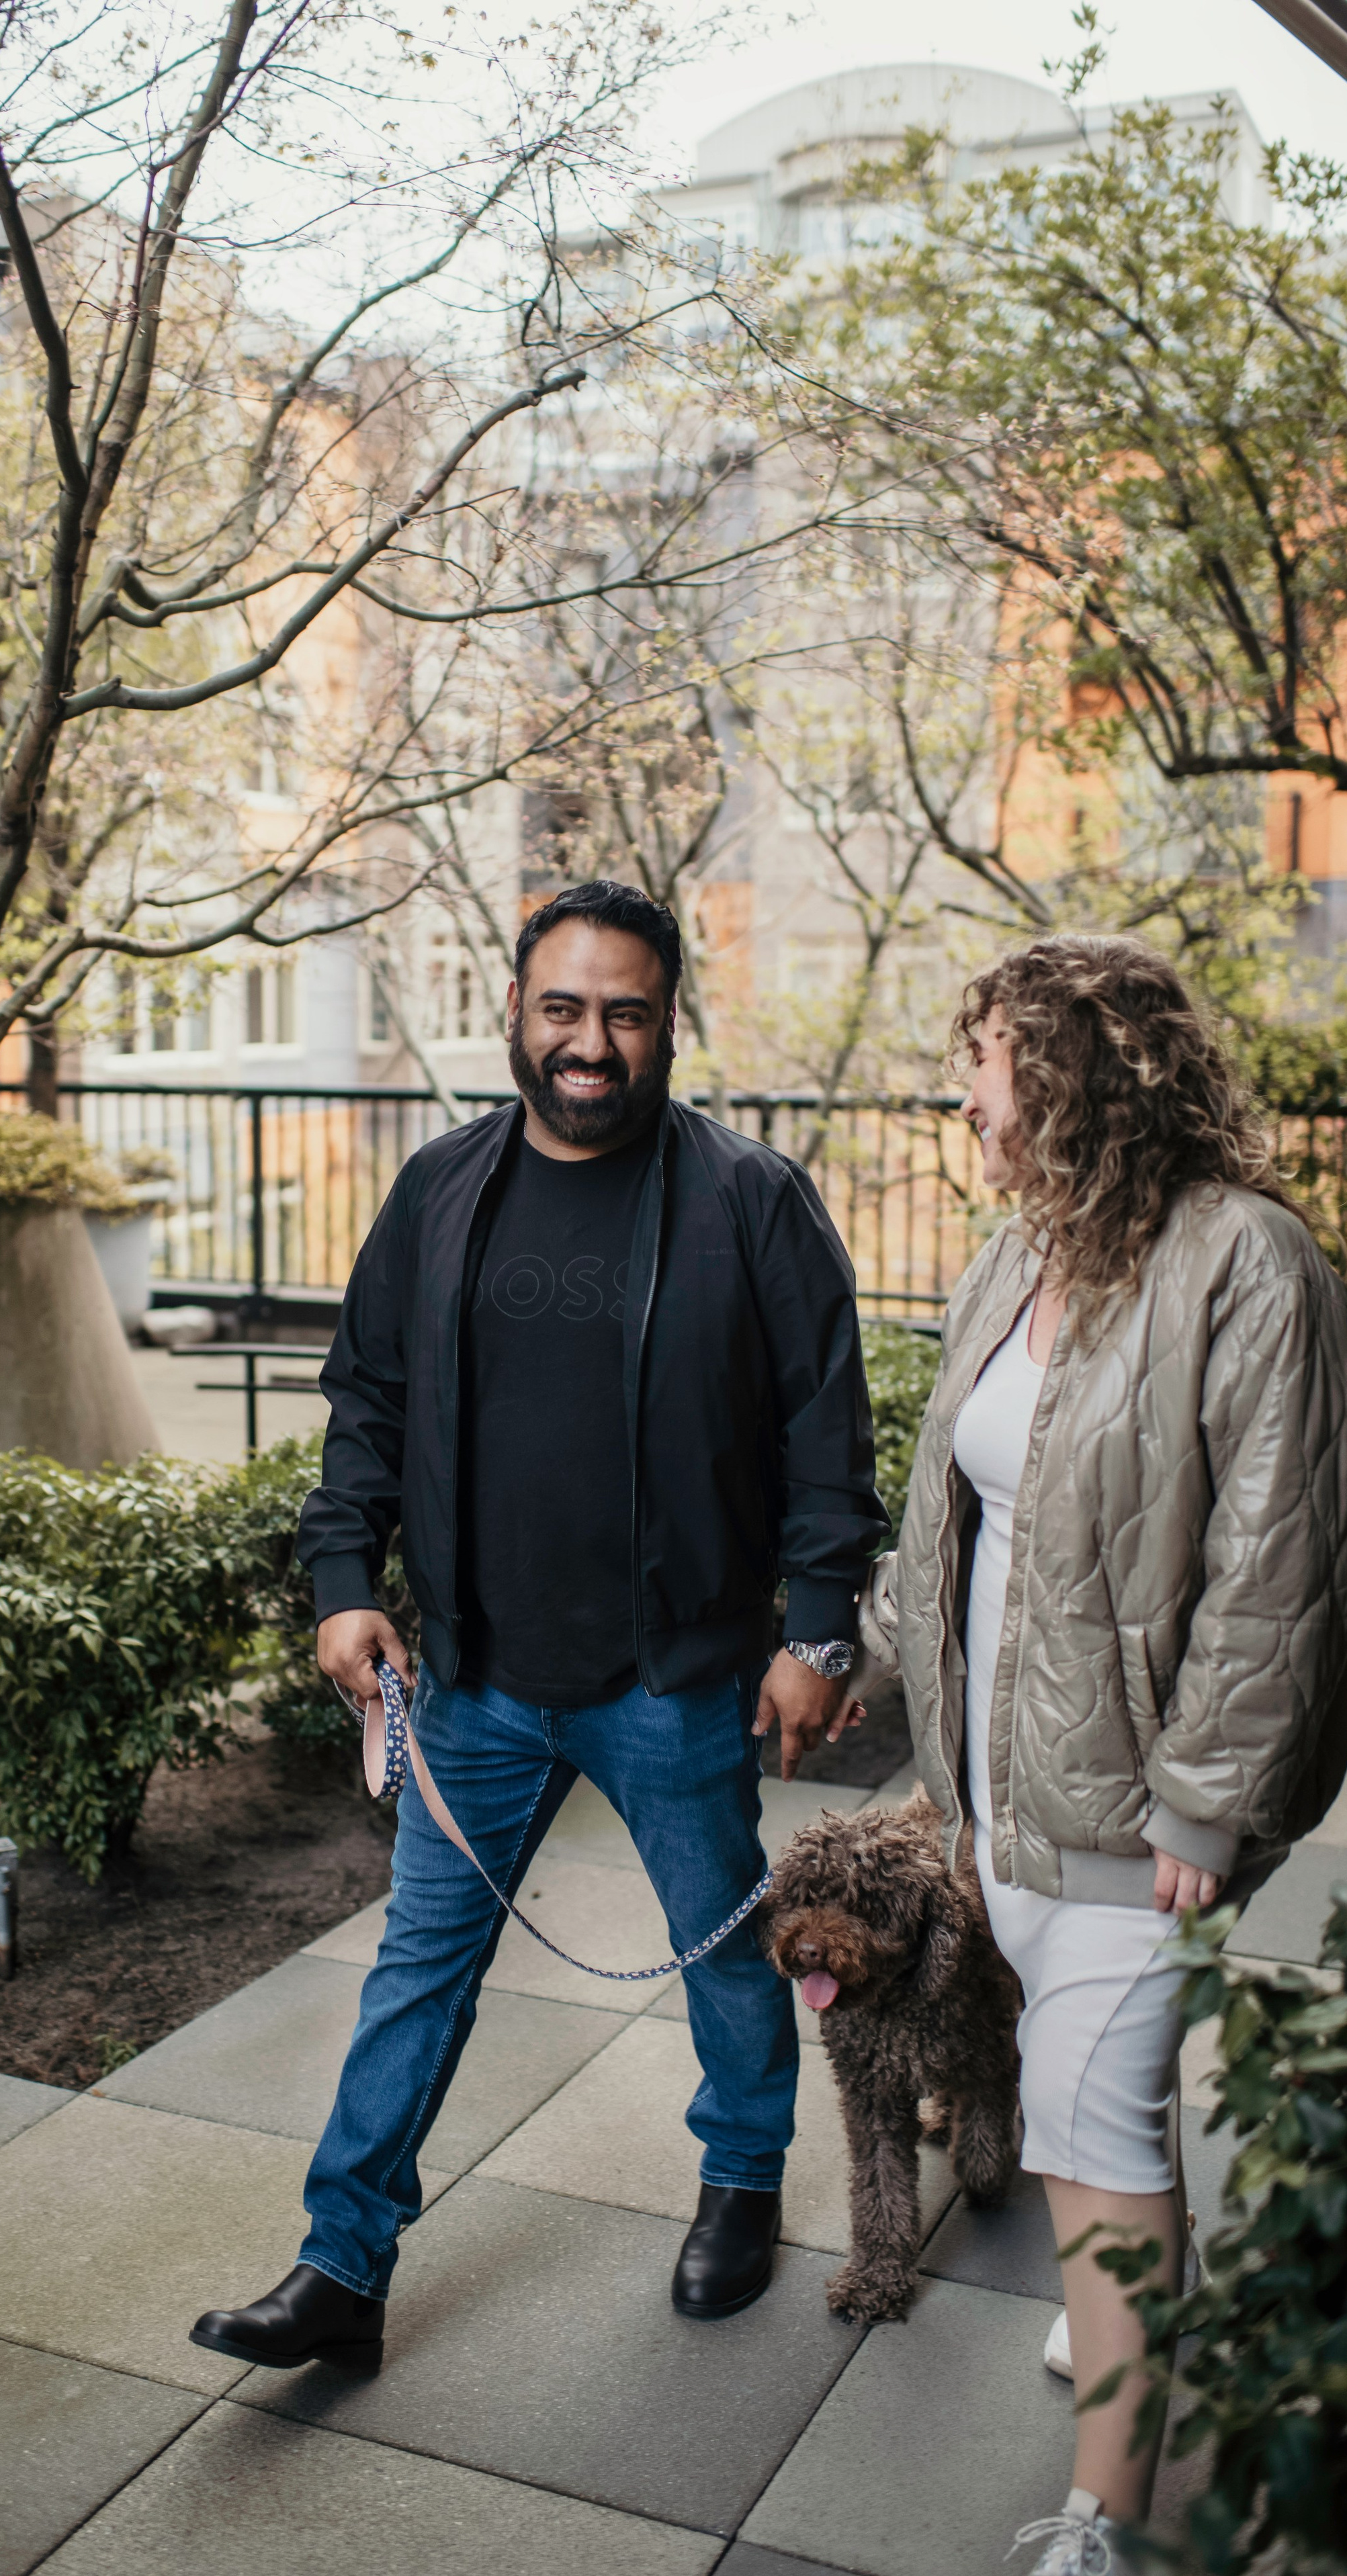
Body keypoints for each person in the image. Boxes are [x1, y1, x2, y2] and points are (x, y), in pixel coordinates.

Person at [191, 878, 889, 2369]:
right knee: (416, 1969)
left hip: (675, 1674)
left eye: (622, 1013)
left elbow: (827, 1440)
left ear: (666, 1028)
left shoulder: (749, 1202)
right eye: (561, 1008)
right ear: (512, 1013)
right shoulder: (441, 1189)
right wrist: (341, 1583)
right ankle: (341, 2269)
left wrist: (815, 1629)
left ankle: (740, 2179)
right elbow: (363, 1409)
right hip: (479, 1686)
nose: (589, 1041)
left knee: (722, 1952)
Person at [859, 934, 1347, 2573]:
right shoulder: (1014, 1261)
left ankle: (1103, 2520)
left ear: (1074, 1079)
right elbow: (953, 1521)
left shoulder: (1250, 1262)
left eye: (985, 1065)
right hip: (1009, 1794)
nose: (963, 1097)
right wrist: (848, 1661)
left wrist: (1208, 1803)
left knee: (1091, 2130)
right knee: (1107, 2140)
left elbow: (1283, 1558)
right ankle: (1134, 2299)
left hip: (1147, 1810)